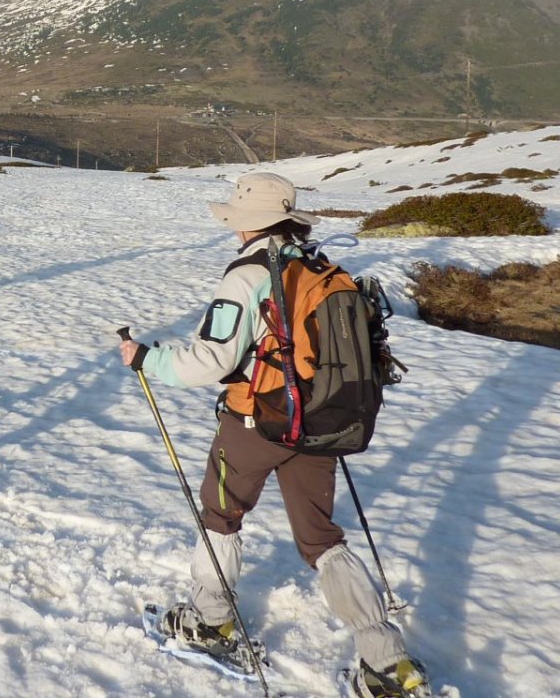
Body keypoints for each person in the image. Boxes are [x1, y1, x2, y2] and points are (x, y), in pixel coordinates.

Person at [118, 172, 429, 698]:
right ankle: (388, 664)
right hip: (319, 420)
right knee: (322, 539)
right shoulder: (319, 266)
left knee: (220, 514)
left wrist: (148, 358)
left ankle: (211, 623)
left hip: (257, 421)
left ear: (247, 224)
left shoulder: (250, 273)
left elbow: (211, 360)